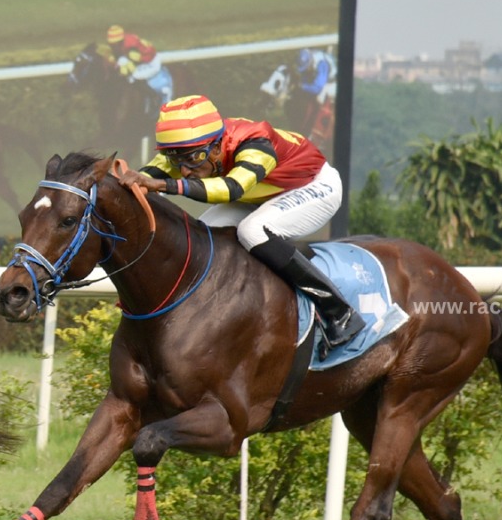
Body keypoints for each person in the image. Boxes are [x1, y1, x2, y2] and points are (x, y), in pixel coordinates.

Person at [131, 94, 364, 353]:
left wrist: (165, 185)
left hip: (313, 185)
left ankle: (339, 311)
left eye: (193, 159)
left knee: (252, 231)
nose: (185, 170)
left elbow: (232, 189)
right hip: (259, 192)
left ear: (216, 147)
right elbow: (142, 179)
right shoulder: (192, 147)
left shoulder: (256, 144)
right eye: (176, 160)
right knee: (199, 236)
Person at [106, 24, 175, 106]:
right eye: (111, 44)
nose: (112, 47)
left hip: (150, 61)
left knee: (134, 76)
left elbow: (137, 59)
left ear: (120, 42)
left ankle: (154, 96)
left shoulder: (131, 44)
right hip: (139, 59)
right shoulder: (120, 45)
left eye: (114, 45)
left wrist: (128, 64)